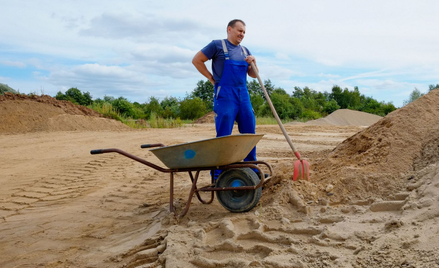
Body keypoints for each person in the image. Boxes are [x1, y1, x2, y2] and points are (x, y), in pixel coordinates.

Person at [192, 19, 261, 179]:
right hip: (225, 95)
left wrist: (254, 63)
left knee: (249, 131)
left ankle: (251, 168)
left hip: (243, 94)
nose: (242, 34)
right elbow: (197, 60)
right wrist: (211, 78)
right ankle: (218, 174)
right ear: (229, 29)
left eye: (244, 32)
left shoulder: (245, 51)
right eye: (239, 30)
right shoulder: (217, 46)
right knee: (224, 134)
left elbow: (252, 74)